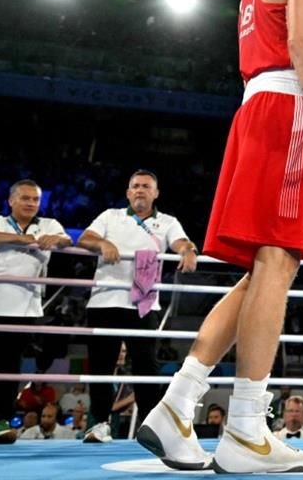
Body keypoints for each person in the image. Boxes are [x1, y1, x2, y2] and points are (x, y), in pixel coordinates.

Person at [135, 0, 303, 474]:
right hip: (288, 110)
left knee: (262, 270)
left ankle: (177, 404)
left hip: (256, 110)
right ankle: (248, 429)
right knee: (279, 264)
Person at [75, 170, 199, 442]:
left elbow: (180, 241)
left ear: (156, 193)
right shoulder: (110, 216)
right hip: (105, 300)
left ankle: (150, 425)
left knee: (146, 366)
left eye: (146, 186)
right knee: (101, 366)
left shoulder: (168, 221)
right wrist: (102, 242)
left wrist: (188, 251)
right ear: (128, 192)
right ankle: (99, 424)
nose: (140, 190)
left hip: (143, 303)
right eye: (135, 186)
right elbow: (84, 239)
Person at [0, 179, 71, 427]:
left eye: (35, 199)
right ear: (11, 200)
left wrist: (54, 240)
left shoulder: (49, 224)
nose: (31, 203)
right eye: (25, 198)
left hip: (23, 309)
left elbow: (66, 241)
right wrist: (20, 239)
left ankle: (1, 422)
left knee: (9, 370)